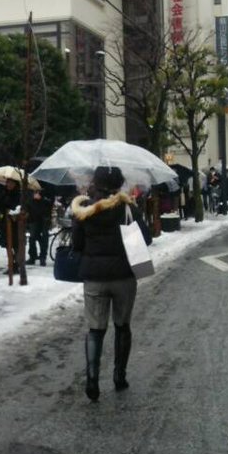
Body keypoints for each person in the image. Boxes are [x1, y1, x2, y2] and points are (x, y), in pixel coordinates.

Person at [70, 166, 151, 402]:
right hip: (124, 276)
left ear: (95, 183)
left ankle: (92, 379)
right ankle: (119, 376)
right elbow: (145, 239)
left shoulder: (84, 209)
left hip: (94, 278)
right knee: (122, 326)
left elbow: (77, 243)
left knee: (95, 329)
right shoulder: (127, 208)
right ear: (118, 185)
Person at [27, 188, 53, 266]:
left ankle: (42, 257)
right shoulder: (31, 185)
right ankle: (32, 256)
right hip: (33, 217)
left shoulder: (47, 186)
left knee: (44, 238)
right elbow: (27, 201)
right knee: (32, 238)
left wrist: (42, 197)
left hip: (44, 217)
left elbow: (50, 199)